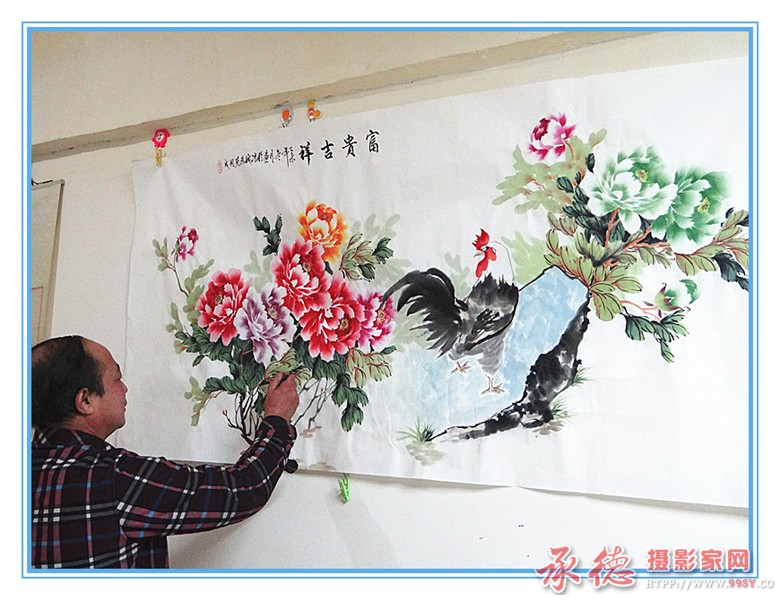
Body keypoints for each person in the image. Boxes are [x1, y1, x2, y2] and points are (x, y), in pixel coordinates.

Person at [31, 335, 299, 568]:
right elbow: (244, 490)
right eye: (117, 378)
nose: (124, 388)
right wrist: (277, 419)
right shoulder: (114, 479)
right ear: (86, 400)